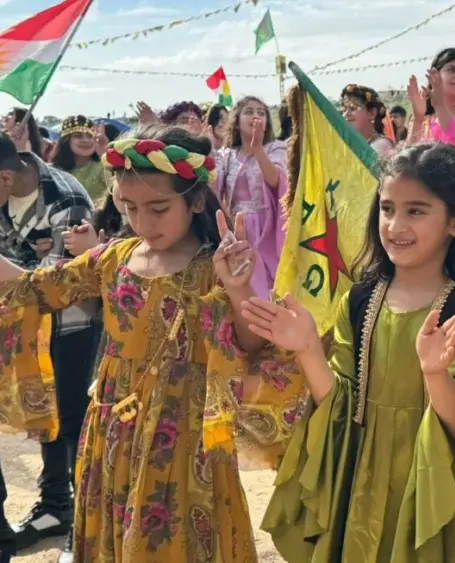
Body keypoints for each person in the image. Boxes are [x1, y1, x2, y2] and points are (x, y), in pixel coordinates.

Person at [0, 125, 305, 561]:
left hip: (186, 431)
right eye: (129, 207)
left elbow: (251, 347)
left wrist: (238, 288)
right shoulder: (113, 258)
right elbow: (33, 287)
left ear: (195, 201)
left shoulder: (213, 267)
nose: (143, 222)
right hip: (114, 426)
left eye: (158, 208)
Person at [247, 143, 455, 562]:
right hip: (359, 480)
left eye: (416, 211)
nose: (396, 225)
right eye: (387, 208)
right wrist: (308, 348)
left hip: (427, 486)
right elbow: (340, 402)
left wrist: (436, 374)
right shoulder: (359, 300)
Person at [0, 131, 99, 563]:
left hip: (70, 324)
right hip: (25, 327)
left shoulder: (64, 199)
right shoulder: (7, 191)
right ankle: (56, 506)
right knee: (46, 415)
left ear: (5, 178)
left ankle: (85, 526)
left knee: (74, 419)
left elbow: (61, 284)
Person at [216, 95, 288, 300]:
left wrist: (257, 149)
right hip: (236, 228)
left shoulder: (276, 148)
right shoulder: (226, 155)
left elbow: (277, 181)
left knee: (269, 289)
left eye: (261, 113)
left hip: (266, 228)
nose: (256, 116)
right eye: (249, 112)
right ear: (237, 122)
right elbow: (213, 187)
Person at [407, 47, 455, 154]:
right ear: (435, 75)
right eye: (451, 70)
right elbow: (407, 159)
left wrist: (440, 106)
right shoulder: (426, 121)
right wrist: (417, 119)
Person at [52, 116, 109, 201]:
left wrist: (105, 155)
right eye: (78, 136)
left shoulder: (103, 167)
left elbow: (117, 188)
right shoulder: (53, 171)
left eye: (90, 136)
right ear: (66, 141)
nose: (86, 140)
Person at [340, 84, 394, 157]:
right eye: (344, 109)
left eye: (353, 108)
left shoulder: (380, 146)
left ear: (372, 113)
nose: (345, 114)